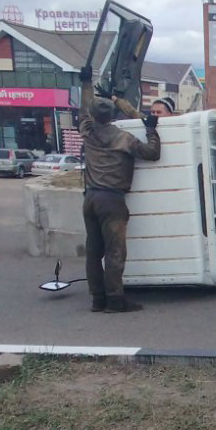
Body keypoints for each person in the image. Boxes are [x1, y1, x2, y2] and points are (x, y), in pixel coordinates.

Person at [80, 96, 160, 312]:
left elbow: (83, 109)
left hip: (90, 198)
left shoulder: (87, 131)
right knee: (115, 252)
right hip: (112, 200)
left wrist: (86, 83)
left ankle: (98, 300)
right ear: (113, 116)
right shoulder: (123, 138)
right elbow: (152, 154)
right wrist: (152, 130)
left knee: (94, 253)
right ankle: (115, 301)